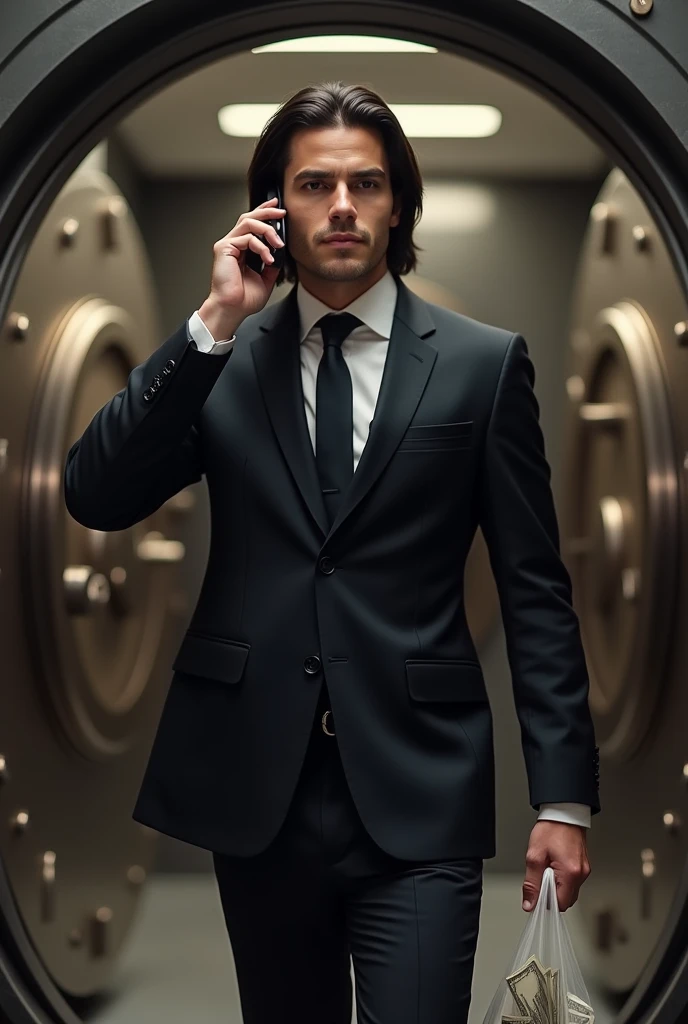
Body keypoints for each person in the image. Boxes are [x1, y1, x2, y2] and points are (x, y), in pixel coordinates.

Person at [64, 80, 600, 1024]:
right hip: (254, 785)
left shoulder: (483, 364)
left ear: (400, 206)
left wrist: (563, 800)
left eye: (367, 184)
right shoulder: (220, 363)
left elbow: (535, 591)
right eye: (313, 185)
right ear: (272, 208)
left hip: (418, 788)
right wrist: (211, 325)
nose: (342, 206)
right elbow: (96, 493)